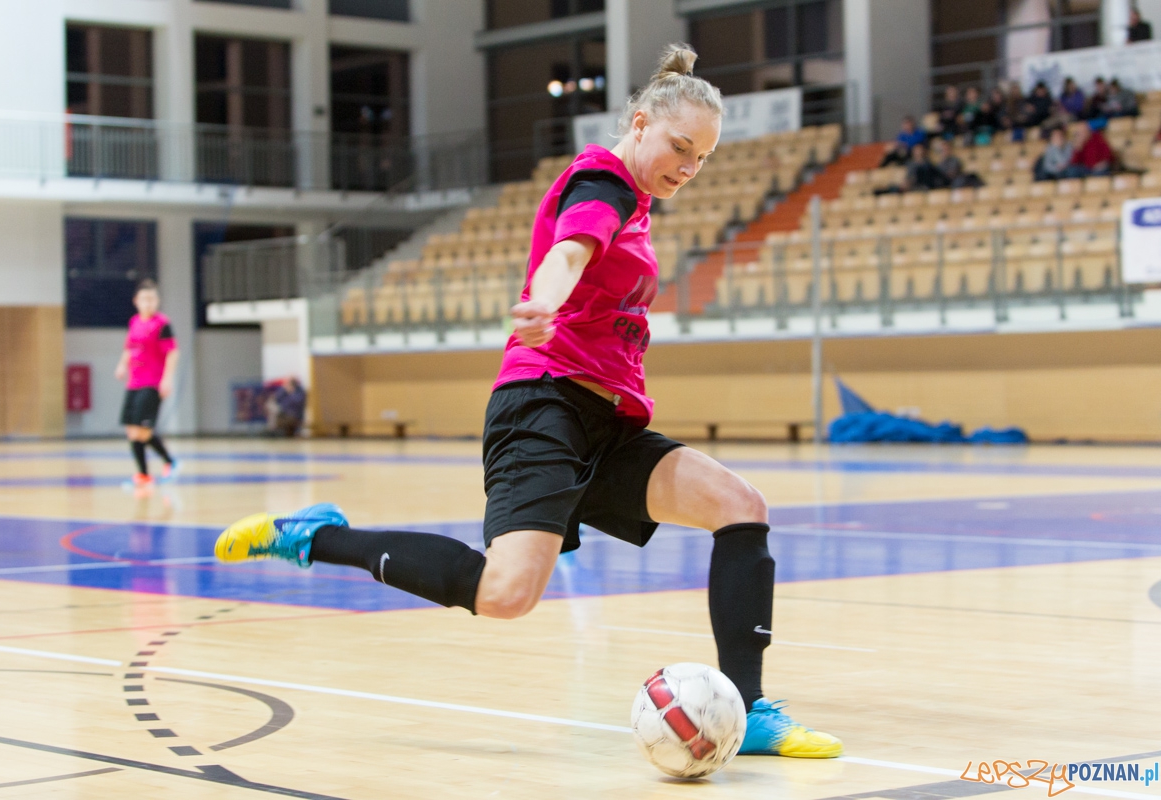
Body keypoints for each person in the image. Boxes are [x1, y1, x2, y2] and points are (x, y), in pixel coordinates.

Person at [214, 44, 843, 760]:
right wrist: (543, 300)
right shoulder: (602, 180)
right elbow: (571, 250)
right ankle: (314, 536)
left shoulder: (637, 203)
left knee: (741, 505)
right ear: (639, 124)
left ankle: (749, 708)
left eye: (701, 158)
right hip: (542, 405)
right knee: (506, 593)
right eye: (679, 147)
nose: (688, 167)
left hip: (605, 424)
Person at [115, 279, 178, 489]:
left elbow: (172, 352)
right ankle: (143, 475)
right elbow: (128, 347)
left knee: (143, 430)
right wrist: (122, 365)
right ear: (136, 301)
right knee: (132, 431)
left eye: (152, 299)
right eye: (144, 299)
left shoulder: (162, 323)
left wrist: (168, 379)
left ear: (157, 301)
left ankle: (170, 462)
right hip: (134, 382)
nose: (148, 303)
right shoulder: (134, 322)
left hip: (152, 382)